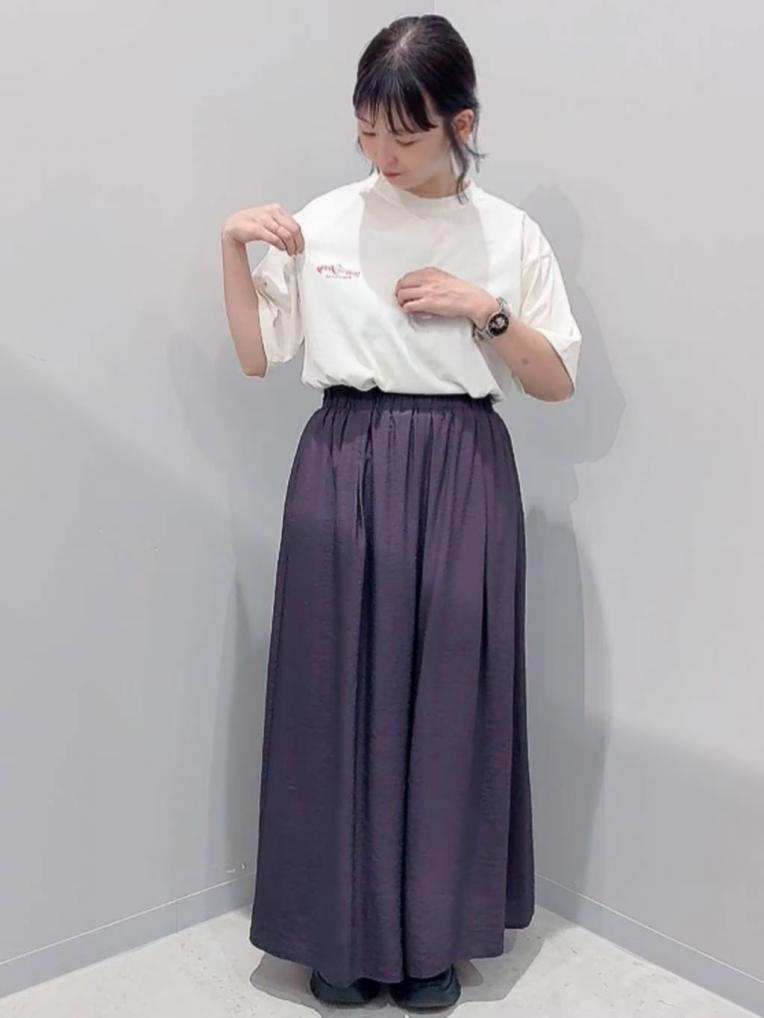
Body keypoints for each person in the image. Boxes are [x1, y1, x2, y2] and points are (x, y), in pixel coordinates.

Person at [221, 14, 582, 1011]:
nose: (382, 154)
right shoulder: (324, 222)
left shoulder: (508, 234)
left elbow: (554, 381)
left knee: (453, 704)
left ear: (461, 124)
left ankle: (434, 936)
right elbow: (257, 356)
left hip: (463, 468)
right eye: (366, 130)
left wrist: (482, 309)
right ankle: (335, 933)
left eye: (406, 134)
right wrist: (231, 248)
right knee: (332, 694)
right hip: (344, 460)